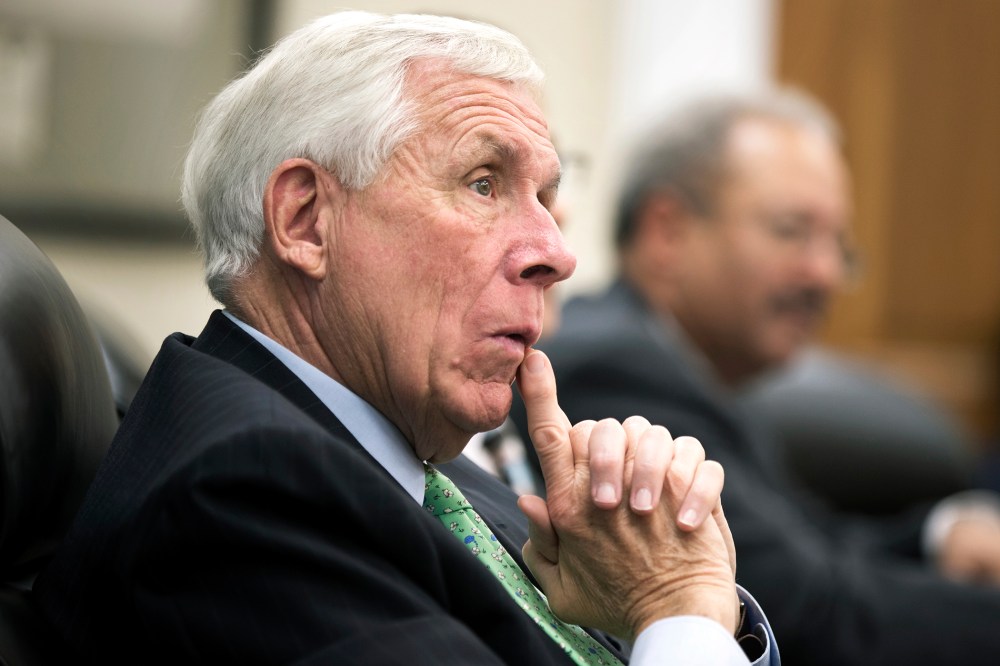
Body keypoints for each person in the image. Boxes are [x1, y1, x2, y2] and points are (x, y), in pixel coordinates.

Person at [32, 12, 778, 665]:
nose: (557, 251)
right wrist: (679, 611)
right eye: (484, 182)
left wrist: (690, 607)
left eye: (547, 198)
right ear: (304, 221)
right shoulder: (239, 495)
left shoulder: (423, 468)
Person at [512, 89, 1000, 665]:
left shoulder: (692, 365)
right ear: (667, 232)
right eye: (793, 231)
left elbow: (810, 547)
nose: (823, 273)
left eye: (838, 246)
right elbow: (810, 612)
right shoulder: (613, 370)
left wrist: (940, 535)